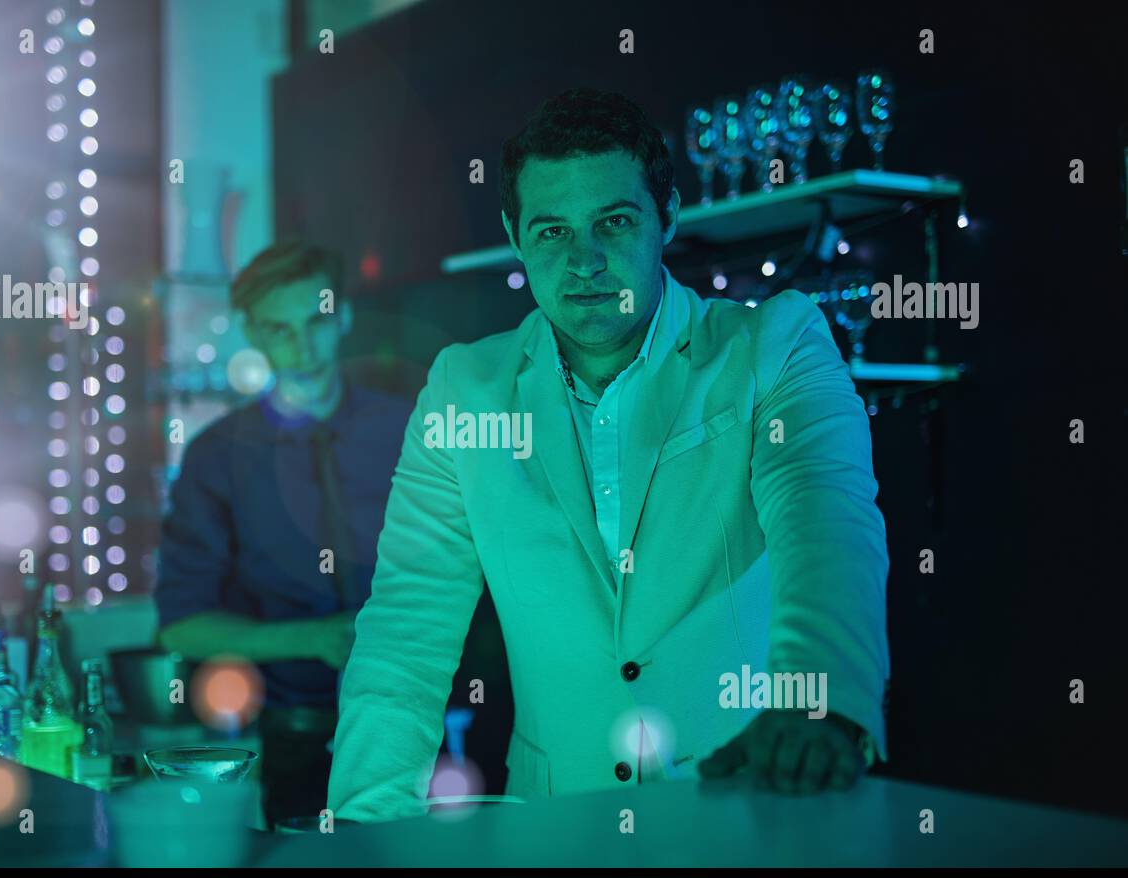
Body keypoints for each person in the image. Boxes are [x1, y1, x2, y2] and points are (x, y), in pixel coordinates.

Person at [328, 88, 890, 823]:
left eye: (614, 222)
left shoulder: (773, 348)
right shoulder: (464, 389)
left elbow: (827, 525)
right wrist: (362, 835)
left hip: (750, 809)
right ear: (513, 233)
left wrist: (822, 704)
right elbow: (408, 622)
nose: (584, 262)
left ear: (668, 218)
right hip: (554, 825)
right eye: (552, 231)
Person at [155, 238, 411, 828]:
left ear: (343, 315)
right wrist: (315, 638)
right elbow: (183, 626)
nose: (303, 346)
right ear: (250, 331)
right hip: (296, 745)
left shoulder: (409, 428)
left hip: (424, 727)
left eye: (317, 320)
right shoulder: (217, 457)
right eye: (278, 328)